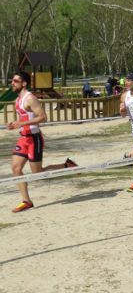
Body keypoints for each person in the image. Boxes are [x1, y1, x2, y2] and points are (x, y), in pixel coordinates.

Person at [8, 71, 77, 213]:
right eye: (12, 80)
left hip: (34, 139)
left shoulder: (30, 98)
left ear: (24, 83)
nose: (12, 83)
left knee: (37, 172)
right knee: (16, 168)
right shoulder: (17, 100)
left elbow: (42, 117)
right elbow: (23, 120)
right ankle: (26, 201)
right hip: (23, 138)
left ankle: (66, 165)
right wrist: (15, 124)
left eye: (15, 81)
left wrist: (21, 123)